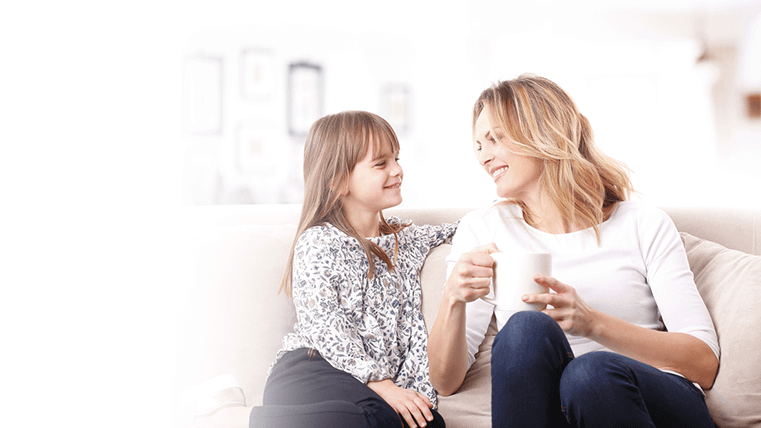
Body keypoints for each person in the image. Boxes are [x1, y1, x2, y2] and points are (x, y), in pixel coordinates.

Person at [427, 75, 720, 427]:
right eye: (477, 145)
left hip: (654, 401)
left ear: (542, 133)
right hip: (553, 411)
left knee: (590, 374)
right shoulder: (484, 228)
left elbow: (703, 364)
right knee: (524, 329)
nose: (483, 157)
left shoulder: (642, 224)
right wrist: (452, 299)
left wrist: (593, 323)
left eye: (494, 138)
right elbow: (445, 382)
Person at [249, 111, 455, 428]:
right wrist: (384, 385)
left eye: (396, 159)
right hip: (311, 370)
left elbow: (468, 228)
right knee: (381, 417)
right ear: (339, 180)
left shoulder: (408, 240)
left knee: (430, 424)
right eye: (381, 163)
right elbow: (325, 327)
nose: (398, 170)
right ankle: (243, 420)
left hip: (362, 390)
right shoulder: (319, 243)